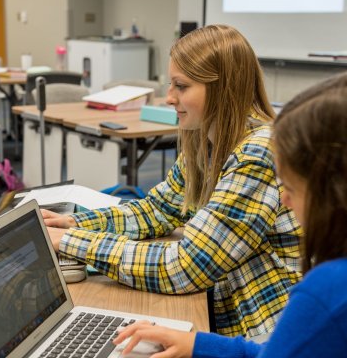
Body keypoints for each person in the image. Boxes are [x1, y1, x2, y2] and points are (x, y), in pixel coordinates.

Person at [42, 25, 302, 337]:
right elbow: (158, 210)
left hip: (267, 330)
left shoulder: (259, 153)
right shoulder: (205, 141)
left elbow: (186, 267)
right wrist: (74, 223)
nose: (168, 98)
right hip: (226, 307)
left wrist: (71, 243)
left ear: (223, 89)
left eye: (181, 86)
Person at [113, 84, 347, 357]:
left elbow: (187, 266)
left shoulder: (326, 292)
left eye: (291, 189)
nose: (284, 200)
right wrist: (198, 344)